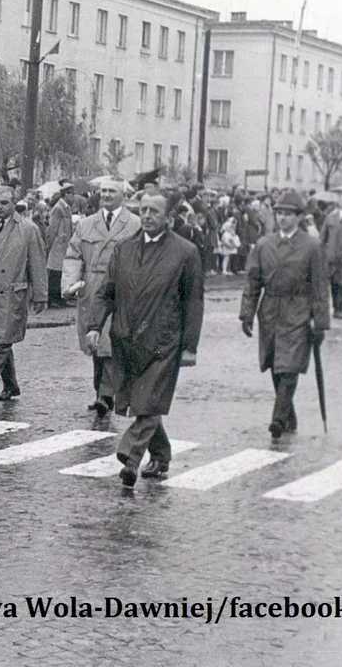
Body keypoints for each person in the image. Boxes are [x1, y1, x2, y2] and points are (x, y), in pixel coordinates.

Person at [86, 194, 204, 487]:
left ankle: (130, 456)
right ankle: (161, 455)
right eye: (144, 210)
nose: (148, 215)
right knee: (146, 402)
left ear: (168, 218)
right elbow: (107, 291)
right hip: (127, 338)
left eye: (155, 211)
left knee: (150, 400)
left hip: (164, 342)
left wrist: (190, 346)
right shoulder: (124, 249)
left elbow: (193, 302)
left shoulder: (185, 252)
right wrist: (94, 326)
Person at [239, 191, 330, 439]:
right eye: (279, 213)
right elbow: (253, 280)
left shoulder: (312, 246)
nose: (282, 218)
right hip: (270, 309)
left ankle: (278, 419)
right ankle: (288, 415)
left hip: (298, 309)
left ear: (299, 217)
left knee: (289, 365)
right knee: (275, 364)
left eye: (288, 214)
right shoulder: (264, 244)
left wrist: (320, 322)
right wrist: (246, 313)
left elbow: (320, 286)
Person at [61, 179, 142, 417]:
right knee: (94, 343)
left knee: (111, 342)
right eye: (103, 191)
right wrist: (69, 283)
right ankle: (101, 392)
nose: (106, 195)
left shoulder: (135, 224)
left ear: (123, 195)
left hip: (121, 290)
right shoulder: (86, 224)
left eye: (111, 191)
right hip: (92, 289)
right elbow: (74, 255)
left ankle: (106, 396)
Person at [0, 184, 47, 408]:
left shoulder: (28, 229)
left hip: (13, 294)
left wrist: (41, 295)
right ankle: (11, 385)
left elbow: (37, 263)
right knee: (2, 341)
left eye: (4, 203)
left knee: (2, 341)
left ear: (14, 204)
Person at [45, 181, 74, 307]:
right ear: (65, 194)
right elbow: (52, 228)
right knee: (55, 271)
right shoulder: (58, 208)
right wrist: (50, 243)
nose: (73, 197)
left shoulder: (66, 207)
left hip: (64, 244)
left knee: (60, 271)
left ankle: (58, 297)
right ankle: (52, 298)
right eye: (71, 194)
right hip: (58, 244)